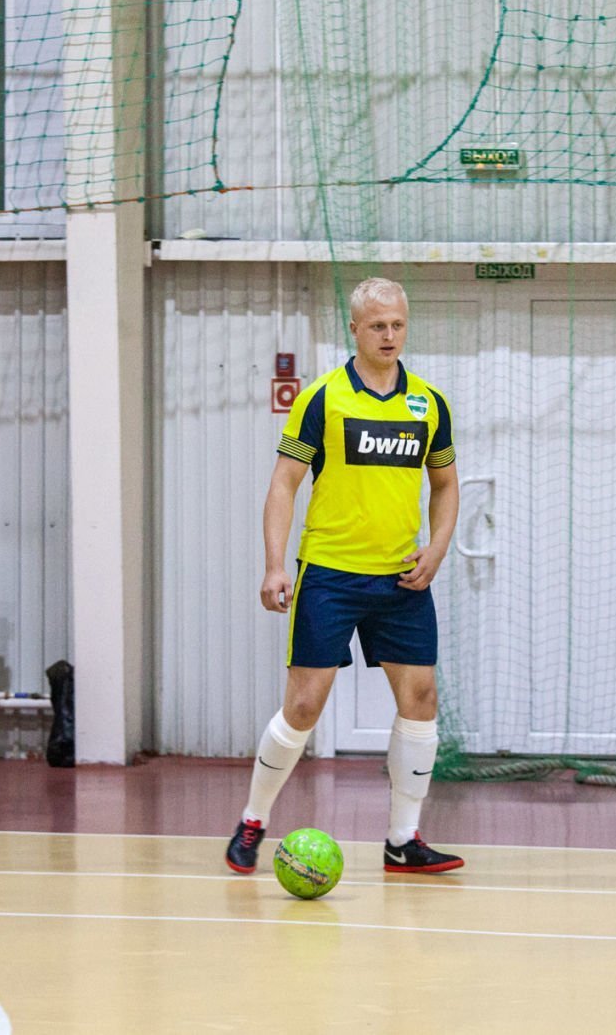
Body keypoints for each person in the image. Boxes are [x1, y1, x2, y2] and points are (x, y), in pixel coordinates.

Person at [225, 276, 464, 876]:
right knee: (304, 706)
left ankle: (403, 839)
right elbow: (284, 484)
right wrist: (275, 564)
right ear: (353, 329)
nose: (389, 335)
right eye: (378, 325)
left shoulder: (429, 403)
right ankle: (253, 821)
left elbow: (444, 485)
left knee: (421, 700)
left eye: (398, 324)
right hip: (329, 576)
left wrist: (436, 549)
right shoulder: (322, 399)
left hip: (401, 581)